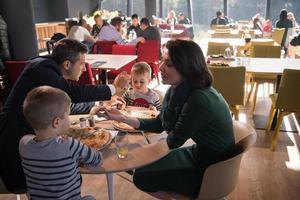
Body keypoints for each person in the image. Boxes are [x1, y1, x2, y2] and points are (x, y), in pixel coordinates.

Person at [97, 40, 235, 198]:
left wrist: (135, 159)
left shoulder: (199, 99)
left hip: (213, 168)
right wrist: (122, 117)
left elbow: (172, 142)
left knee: (142, 177)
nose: (160, 67)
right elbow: (158, 124)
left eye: (168, 64)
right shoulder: (180, 89)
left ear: (187, 67)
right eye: (162, 60)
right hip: (201, 153)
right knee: (142, 172)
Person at [0, 38, 130, 191]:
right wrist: (114, 88)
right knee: (39, 185)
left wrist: (98, 105)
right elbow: (71, 93)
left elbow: (65, 102)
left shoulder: (46, 65)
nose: (84, 68)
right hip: (16, 139)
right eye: (81, 63)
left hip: (31, 131)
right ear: (67, 64)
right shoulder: (42, 70)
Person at [20, 86, 102, 200]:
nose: (69, 119)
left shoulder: (23, 144)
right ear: (57, 122)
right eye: (67, 115)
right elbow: (96, 159)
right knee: (90, 198)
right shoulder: (69, 145)